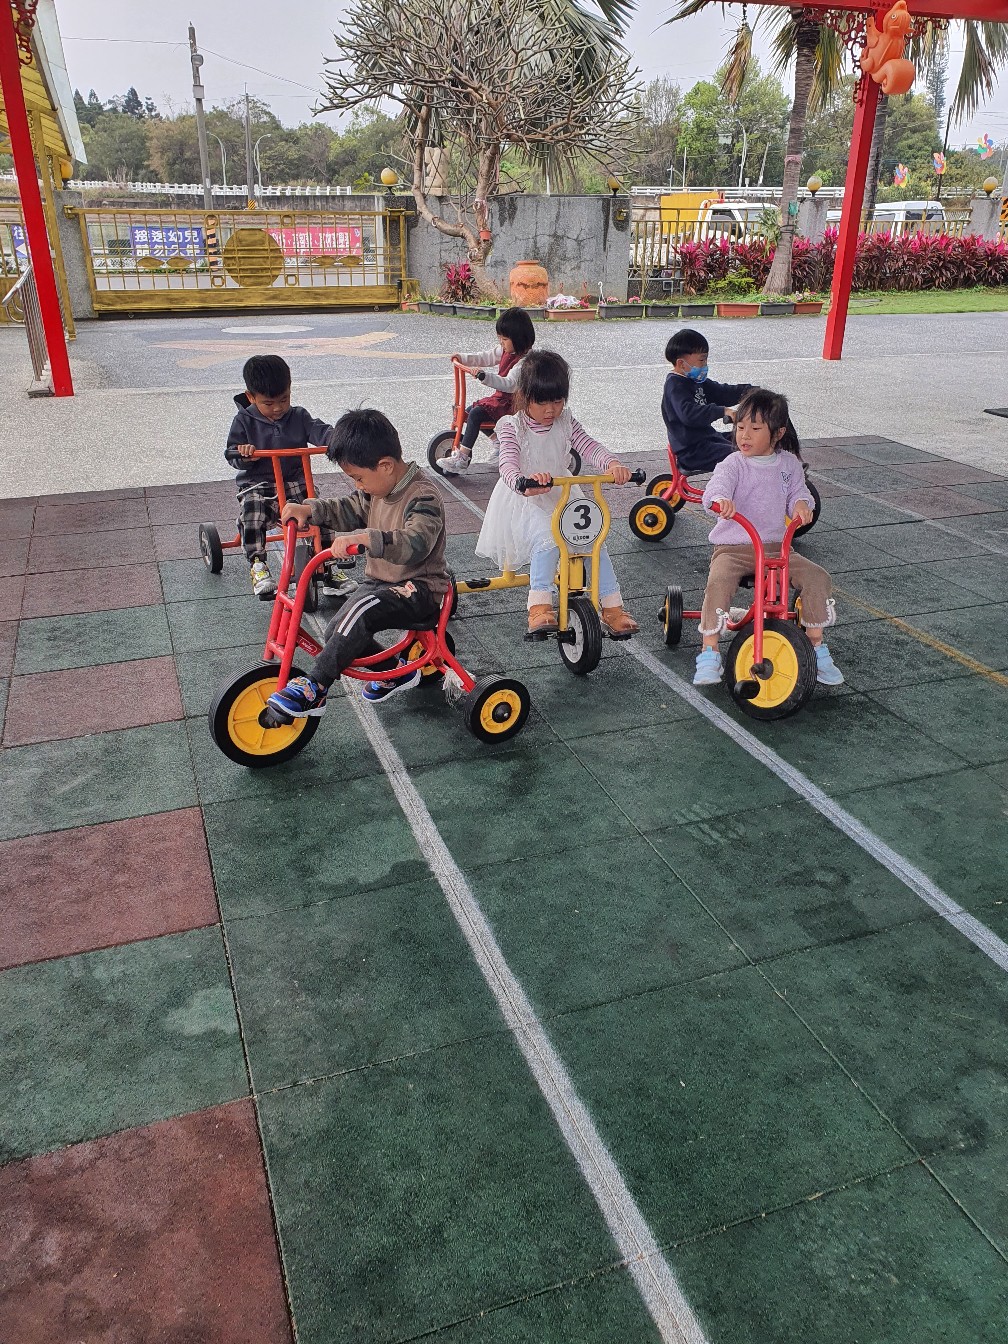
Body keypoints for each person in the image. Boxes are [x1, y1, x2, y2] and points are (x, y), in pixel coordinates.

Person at [265, 408, 449, 718]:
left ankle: (315, 686)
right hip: (382, 583)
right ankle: (394, 671)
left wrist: (367, 538)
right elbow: (349, 507)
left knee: (359, 613)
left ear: (385, 466)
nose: (359, 485)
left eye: (359, 478)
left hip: (419, 588)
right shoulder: (377, 489)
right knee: (338, 631)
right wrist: (310, 510)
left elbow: (416, 543)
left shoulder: (422, 496)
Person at [475, 349, 639, 637]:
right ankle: (539, 605)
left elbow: (588, 445)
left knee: (593, 539)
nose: (551, 409)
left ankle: (612, 606)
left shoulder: (566, 422)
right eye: (542, 402)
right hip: (526, 498)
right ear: (525, 396)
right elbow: (507, 464)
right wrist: (523, 482)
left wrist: (612, 464)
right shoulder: (512, 427)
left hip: (562, 491)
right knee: (548, 536)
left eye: (558, 401)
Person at [693, 387, 844, 688]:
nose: (744, 435)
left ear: (778, 433)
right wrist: (721, 500)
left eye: (755, 428)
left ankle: (815, 646)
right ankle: (709, 650)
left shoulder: (788, 465)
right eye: (740, 427)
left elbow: (799, 493)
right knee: (719, 581)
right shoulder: (733, 464)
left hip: (777, 548)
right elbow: (715, 489)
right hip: (734, 547)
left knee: (818, 577)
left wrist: (801, 504)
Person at [225, 354, 347, 600]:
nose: (278, 408)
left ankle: (328, 566)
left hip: (296, 482)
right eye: (268, 403)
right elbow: (231, 453)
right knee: (252, 512)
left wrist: (337, 438)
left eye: (284, 399)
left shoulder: (298, 416)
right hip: (259, 484)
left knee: (320, 510)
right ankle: (258, 565)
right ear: (251, 397)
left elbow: (321, 431)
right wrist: (244, 453)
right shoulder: (244, 421)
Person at [438, 307, 536, 473]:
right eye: (500, 338)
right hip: (501, 399)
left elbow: (510, 384)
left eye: (504, 339)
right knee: (470, 411)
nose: (501, 342)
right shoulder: (505, 350)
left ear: (519, 339)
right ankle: (498, 441)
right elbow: (485, 357)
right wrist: (463, 358)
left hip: (513, 404)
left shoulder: (525, 361)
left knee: (477, 414)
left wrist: (485, 377)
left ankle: (463, 458)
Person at [661, 328, 752, 476]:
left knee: (754, 440)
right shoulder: (675, 386)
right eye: (702, 360)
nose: (705, 364)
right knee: (741, 454)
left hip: (708, 439)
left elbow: (722, 392)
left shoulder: (696, 381)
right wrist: (723, 411)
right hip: (693, 450)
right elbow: (689, 414)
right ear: (682, 364)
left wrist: (750, 391)